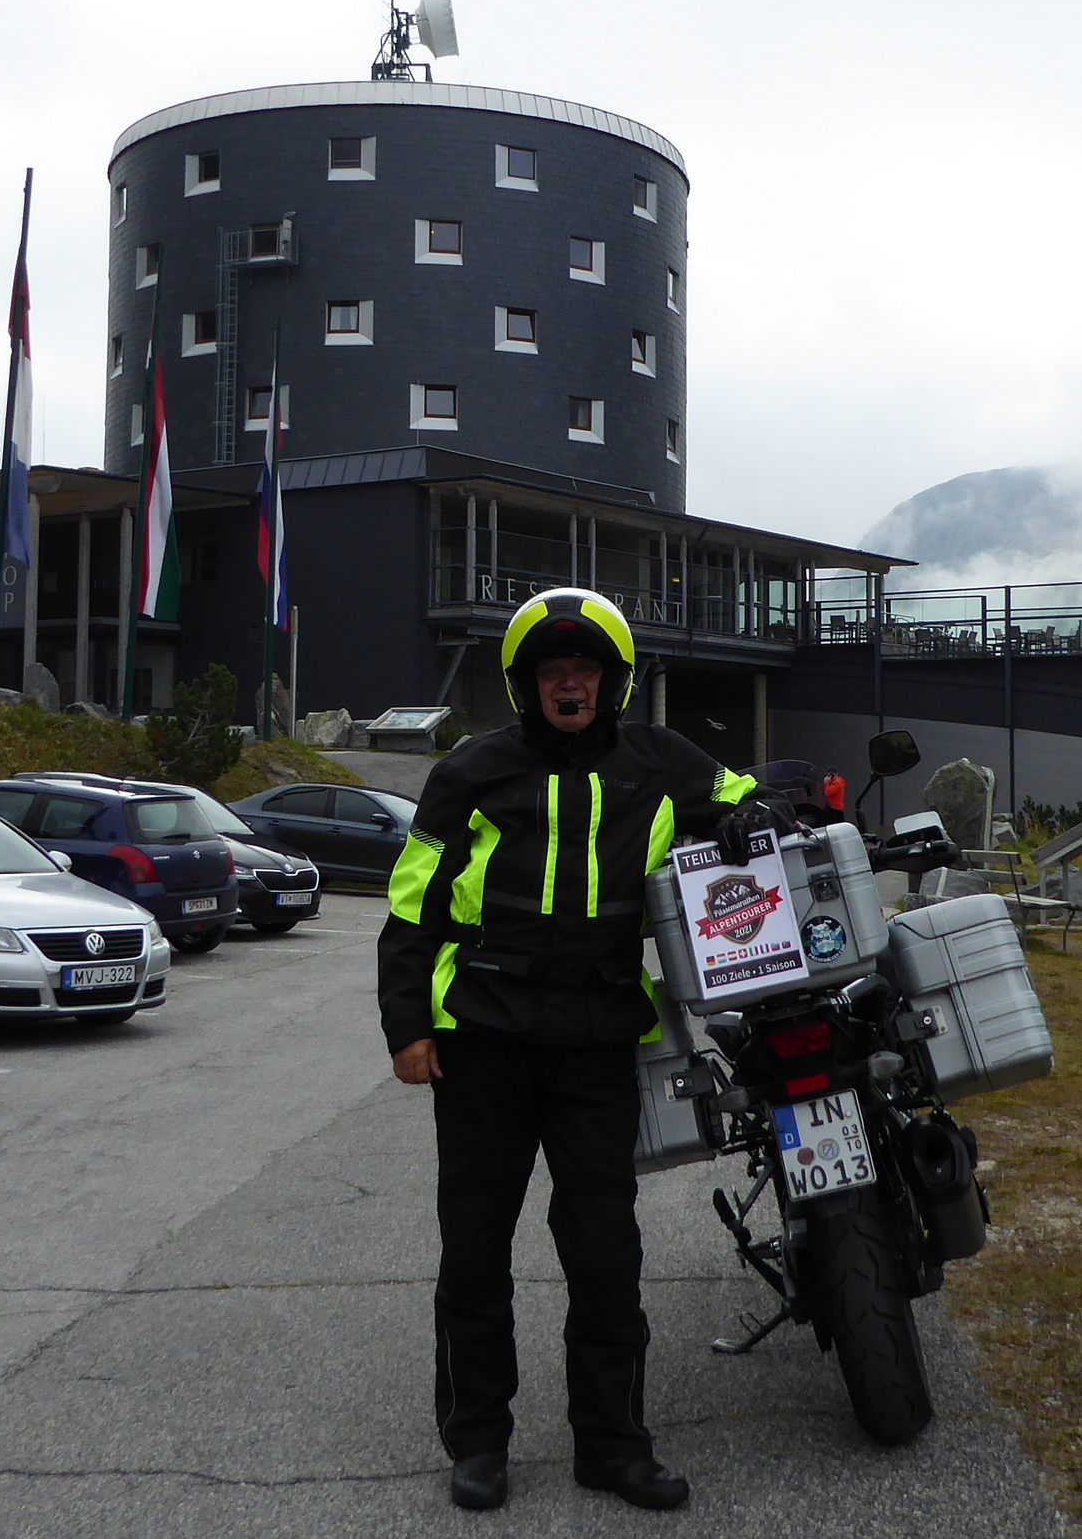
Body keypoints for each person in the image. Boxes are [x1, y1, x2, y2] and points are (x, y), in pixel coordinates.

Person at [376, 587, 786, 1513]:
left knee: (605, 1253)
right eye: (554, 671)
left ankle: (613, 1445)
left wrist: (751, 815)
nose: (570, 684)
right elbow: (411, 900)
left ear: (613, 681)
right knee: (474, 1248)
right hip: (481, 1039)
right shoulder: (471, 769)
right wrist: (407, 1025)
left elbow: (741, 793)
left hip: (596, 1041)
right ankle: (478, 1441)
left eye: (586, 670)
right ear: (525, 684)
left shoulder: (659, 759)